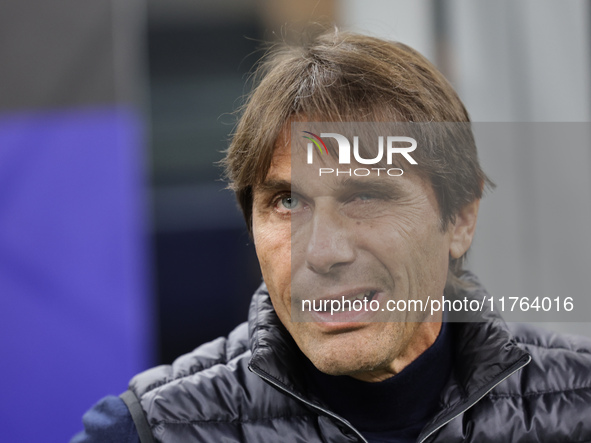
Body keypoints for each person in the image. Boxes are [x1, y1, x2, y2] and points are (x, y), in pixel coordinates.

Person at [71, 29, 591, 443]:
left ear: (460, 219)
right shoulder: (147, 431)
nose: (321, 252)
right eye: (287, 202)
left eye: (365, 197)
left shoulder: (579, 399)